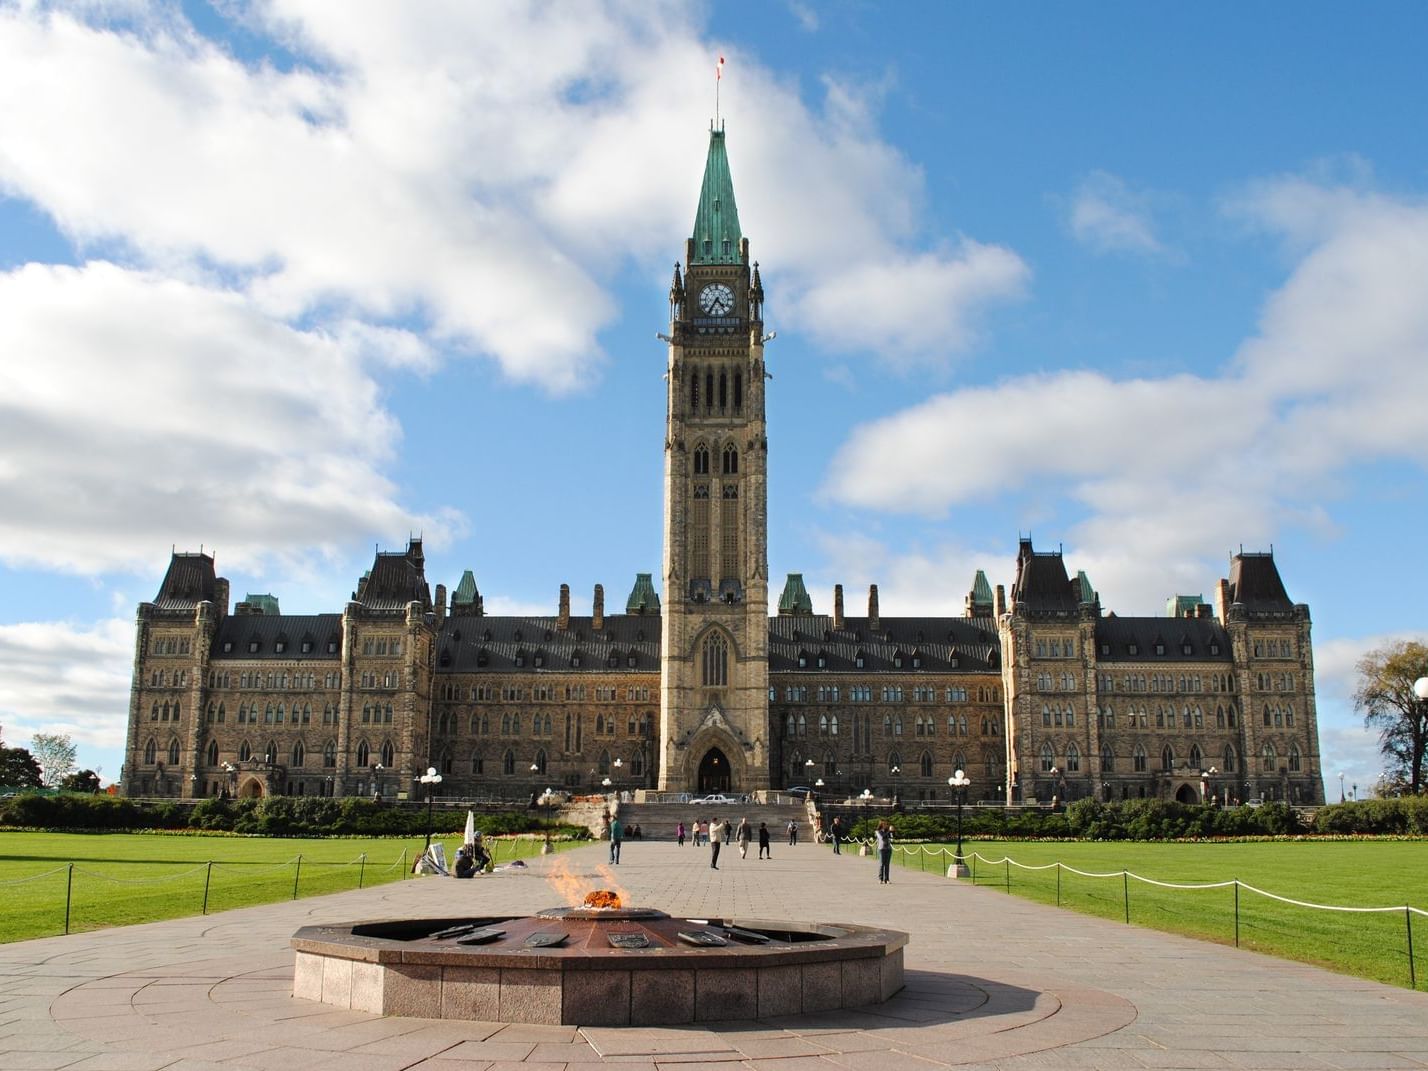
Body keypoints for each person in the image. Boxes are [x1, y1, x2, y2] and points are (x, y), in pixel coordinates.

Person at [875, 820, 894, 884]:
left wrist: (892, 832)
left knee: (887, 865)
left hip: (888, 849)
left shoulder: (887, 831)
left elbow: (892, 837)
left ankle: (887, 879)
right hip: (882, 849)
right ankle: (880, 879)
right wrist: (889, 831)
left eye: (886, 824)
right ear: (882, 825)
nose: (886, 825)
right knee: (882, 864)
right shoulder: (878, 832)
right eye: (885, 824)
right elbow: (882, 837)